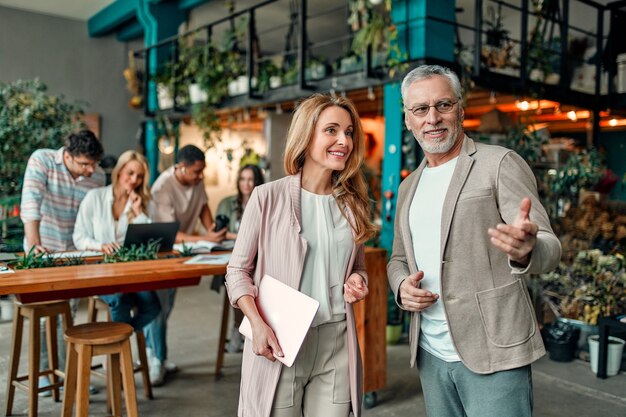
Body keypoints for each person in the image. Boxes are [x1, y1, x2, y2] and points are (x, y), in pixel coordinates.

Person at [386, 65, 562, 417]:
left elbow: (550, 247)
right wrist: (401, 286)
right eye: (420, 109)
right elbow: (398, 259)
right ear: (408, 119)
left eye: (444, 105)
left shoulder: (499, 164)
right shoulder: (408, 187)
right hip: (431, 353)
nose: (433, 118)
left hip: (494, 349)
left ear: (461, 110)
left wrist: (528, 249)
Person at [226, 93, 377, 417]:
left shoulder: (353, 204)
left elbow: (359, 267)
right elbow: (237, 271)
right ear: (306, 136)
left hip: (337, 341)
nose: (344, 141)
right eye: (332, 130)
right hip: (281, 341)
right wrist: (256, 324)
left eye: (349, 132)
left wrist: (356, 280)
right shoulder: (267, 197)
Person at [20, 129, 105, 395]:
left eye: (93, 164)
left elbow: (95, 215)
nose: (91, 170)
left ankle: (72, 375)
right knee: (49, 316)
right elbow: (31, 203)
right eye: (84, 164)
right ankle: (47, 375)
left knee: (71, 315)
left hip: (76, 253)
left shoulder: (98, 176)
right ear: (67, 155)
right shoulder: (42, 161)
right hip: (43, 250)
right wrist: (34, 247)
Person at [146, 144, 226, 386]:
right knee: (158, 308)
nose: (200, 176)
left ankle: (156, 353)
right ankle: (155, 359)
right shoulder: (162, 187)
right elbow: (169, 233)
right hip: (160, 250)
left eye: (202, 171)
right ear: (180, 167)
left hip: (183, 251)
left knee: (167, 305)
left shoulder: (196, 181)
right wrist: (204, 238)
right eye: (196, 172)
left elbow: (203, 207)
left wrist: (212, 230)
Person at [73, 150, 161, 331]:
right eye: (130, 173)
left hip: (129, 271)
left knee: (152, 306)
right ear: (119, 171)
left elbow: (148, 242)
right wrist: (100, 246)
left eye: (139, 176)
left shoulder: (142, 203)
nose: (134, 180)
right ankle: (119, 352)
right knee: (121, 301)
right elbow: (79, 237)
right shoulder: (95, 197)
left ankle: (121, 339)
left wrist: (138, 213)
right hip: (98, 270)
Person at [215, 164, 265, 353]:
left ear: (257, 181)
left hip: (257, 259)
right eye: (242, 179)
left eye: (250, 179)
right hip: (231, 258)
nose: (246, 183)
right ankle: (239, 329)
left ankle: (250, 328)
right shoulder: (227, 204)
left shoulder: (264, 200)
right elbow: (219, 233)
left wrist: (236, 235)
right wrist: (243, 237)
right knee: (238, 280)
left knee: (257, 283)